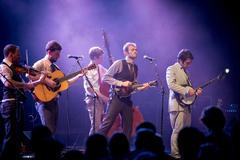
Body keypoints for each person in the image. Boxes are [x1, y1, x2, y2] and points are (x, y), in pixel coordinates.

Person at [0, 44, 45, 160]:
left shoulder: (14, 68)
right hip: (9, 104)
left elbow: (23, 85)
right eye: (18, 55)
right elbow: (8, 83)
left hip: (16, 103)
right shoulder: (4, 67)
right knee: (11, 135)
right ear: (11, 54)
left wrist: (34, 88)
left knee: (16, 134)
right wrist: (28, 84)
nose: (19, 57)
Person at [29, 40, 83, 134]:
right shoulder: (41, 63)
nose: (59, 56)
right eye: (57, 53)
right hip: (44, 102)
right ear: (49, 52)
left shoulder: (56, 67)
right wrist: (47, 81)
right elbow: (29, 75)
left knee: (52, 130)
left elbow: (66, 84)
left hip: (54, 101)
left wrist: (78, 76)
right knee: (48, 131)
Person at [98, 42, 149, 139]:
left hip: (127, 100)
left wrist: (140, 88)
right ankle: (95, 146)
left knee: (128, 127)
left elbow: (132, 86)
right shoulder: (119, 63)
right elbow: (106, 78)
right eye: (132, 50)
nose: (135, 51)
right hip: (116, 99)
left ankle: (124, 150)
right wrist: (121, 83)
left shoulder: (135, 67)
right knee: (107, 124)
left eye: (136, 50)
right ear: (125, 53)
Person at [166, 49, 202, 159]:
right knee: (177, 131)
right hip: (177, 105)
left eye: (190, 63)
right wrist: (187, 91)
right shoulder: (171, 69)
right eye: (187, 63)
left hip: (186, 106)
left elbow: (188, 89)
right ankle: (175, 155)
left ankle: (183, 154)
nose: (189, 65)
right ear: (180, 60)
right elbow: (171, 85)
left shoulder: (185, 72)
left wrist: (195, 92)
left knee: (185, 132)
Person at [83, 46, 109, 135]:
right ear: (95, 57)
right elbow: (89, 89)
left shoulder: (100, 67)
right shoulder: (88, 70)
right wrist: (103, 97)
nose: (102, 59)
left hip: (100, 99)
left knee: (100, 125)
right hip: (93, 99)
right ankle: (91, 147)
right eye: (101, 57)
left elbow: (109, 75)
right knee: (96, 126)